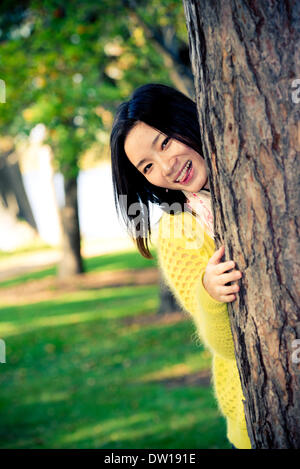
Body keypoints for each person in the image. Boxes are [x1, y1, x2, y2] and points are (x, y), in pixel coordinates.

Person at [110, 83, 251, 449]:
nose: (167, 167)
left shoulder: (259, 168)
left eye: (165, 142)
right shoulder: (177, 230)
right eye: (147, 166)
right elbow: (224, 345)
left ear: (185, 118)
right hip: (258, 407)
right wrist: (209, 292)